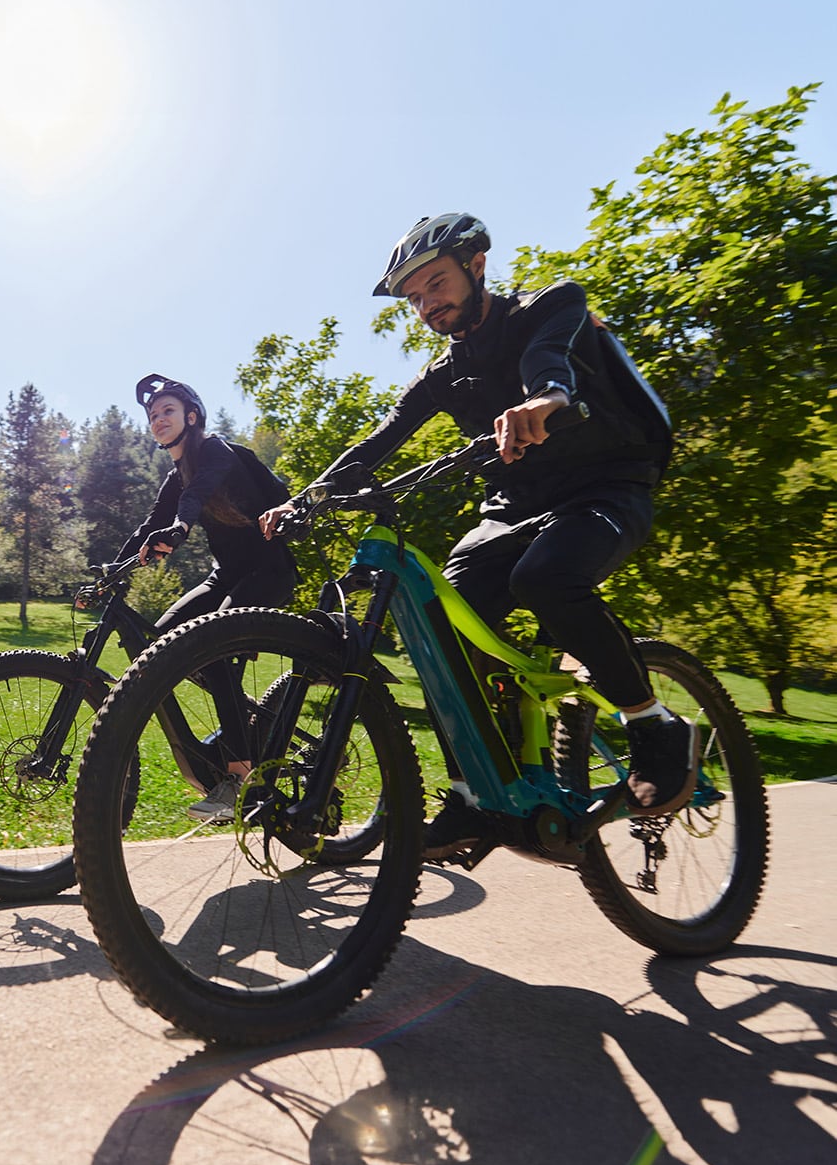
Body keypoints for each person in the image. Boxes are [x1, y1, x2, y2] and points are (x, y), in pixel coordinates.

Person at [260, 213, 697, 859]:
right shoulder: (446, 373)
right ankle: (472, 794)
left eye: (435, 283)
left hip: (608, 482)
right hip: (515, 507)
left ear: (477, 266)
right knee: (442, 625)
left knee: (545, 577)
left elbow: (549, 365)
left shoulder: (551, 305)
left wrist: (541, 404)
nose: (426, 303)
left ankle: (653, 726)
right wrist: (307, 498)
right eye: (413, 297)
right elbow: (380, 440)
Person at [116, 374, 297, 821]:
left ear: (191, 416)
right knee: (161, 643)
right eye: (153, 414)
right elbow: (145, 528)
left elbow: (197, 494)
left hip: (268, 570)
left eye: (168, 411)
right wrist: (108, 576)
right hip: (227, 576)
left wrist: (180, 528)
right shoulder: (173, 479)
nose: (158, 419)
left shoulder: (215, 450)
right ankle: (249, 719)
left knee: (213, 650)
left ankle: (238, 775)